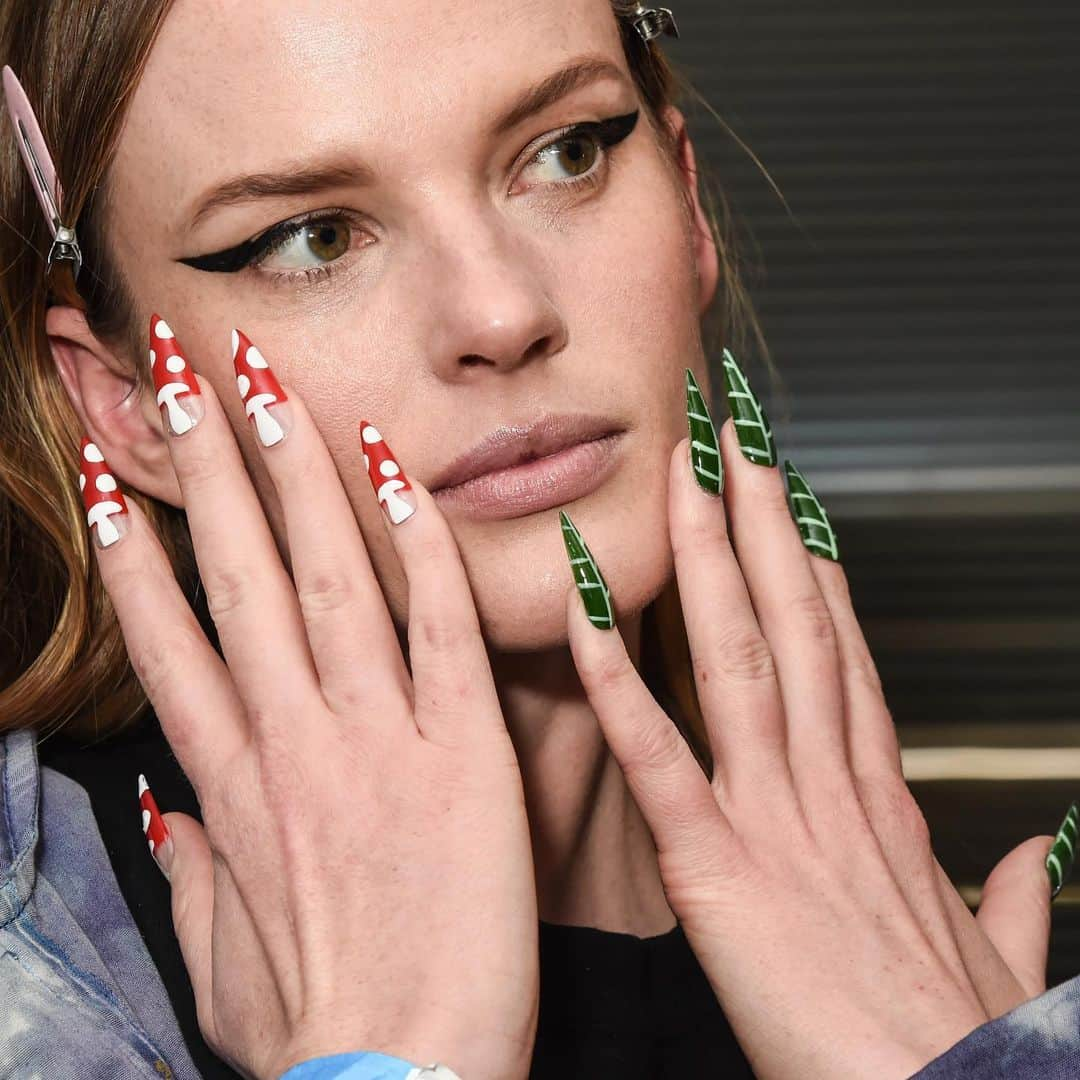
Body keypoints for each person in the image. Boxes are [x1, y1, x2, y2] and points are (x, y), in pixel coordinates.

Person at [1, 1, 1076, 1078]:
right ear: (125, 399)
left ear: (689, 203)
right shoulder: (43, 962)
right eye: (312, 238)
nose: (502, 313)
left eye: (564, 155)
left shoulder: (927, 951)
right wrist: (392, 1058)